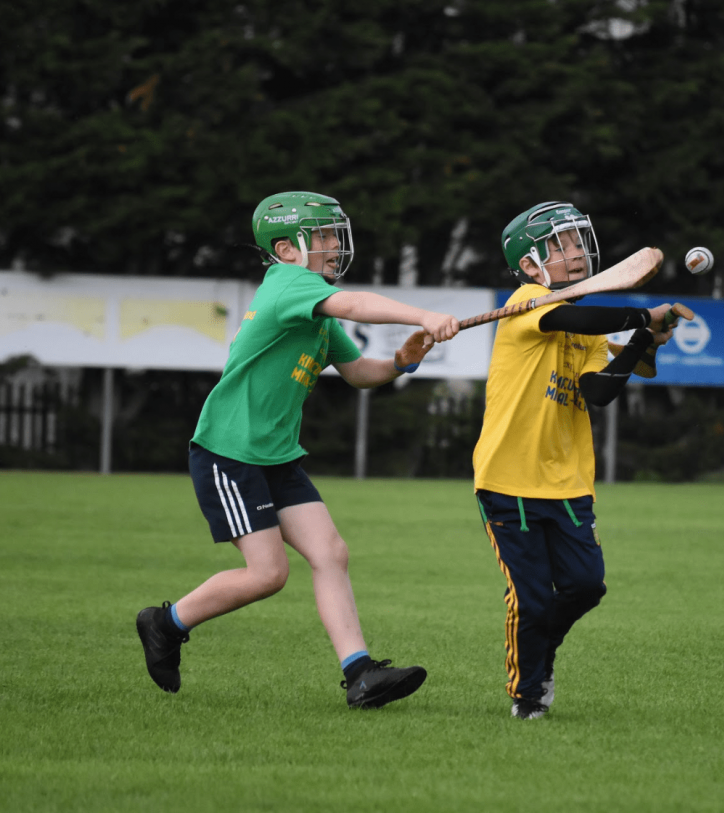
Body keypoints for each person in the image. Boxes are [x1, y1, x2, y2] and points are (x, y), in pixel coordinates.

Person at [136, 191, 459, 709]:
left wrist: (402, 360)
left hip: (278, 455)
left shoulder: (317, 313)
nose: (335, 246)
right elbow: (354, 303)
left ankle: (359, 675)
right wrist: (422, 313)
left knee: (330, 553)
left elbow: (359, 375)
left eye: (336, 235)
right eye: (323, 237)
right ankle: (164, 623)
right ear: (286, 250)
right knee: (268, 574)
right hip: (230, 451)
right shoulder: (289, 285)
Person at [472, 201, 674, 719]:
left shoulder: (584, 325)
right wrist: (639, 316)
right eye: (558, 246)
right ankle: (528, 693)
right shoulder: (529, 301)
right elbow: (571, 313)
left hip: (568, 481)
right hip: (508, 479)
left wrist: (638, 343)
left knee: (587, 586)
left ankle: (542, 650)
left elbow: (598, 392)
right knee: (532, 599)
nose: (575, 253)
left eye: (577, 241)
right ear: (530, 266)